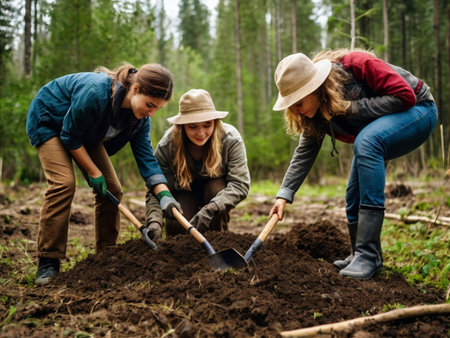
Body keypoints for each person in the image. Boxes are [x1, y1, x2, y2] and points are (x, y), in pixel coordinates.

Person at [269, 49, 437, 279]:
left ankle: (368, 256)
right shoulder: (313, 113)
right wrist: (283, 195)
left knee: (366, 141)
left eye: (298, 101)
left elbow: (404, 96)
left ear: (315, 88)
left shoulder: (357, 64)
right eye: (291, 104)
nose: (295, 109)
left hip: (419, 111)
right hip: (380, 130)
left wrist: (350, 108)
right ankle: (361, 253)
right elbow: (305, 152)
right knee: (352, 193)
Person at [26, 63, 181, 284]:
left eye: (158, 108)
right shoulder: (97, 92)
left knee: (114, 190)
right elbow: (69, 136)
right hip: (49, 121)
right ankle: (48, 261)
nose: (152, 113)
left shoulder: (140, 120)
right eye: (150, 105)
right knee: (64, 184)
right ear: (135, 89)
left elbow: (147, 160)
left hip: (85, 132)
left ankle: (107, 256)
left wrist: (165, 196)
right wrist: (92, 172)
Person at [145, 89, 250, 238]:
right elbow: (157, 189)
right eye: (193, 126)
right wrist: (154, 222)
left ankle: (217, 242)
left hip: (215, 194)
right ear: (181, 126)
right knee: (177, 223)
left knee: (215, 191)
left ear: (215, 122)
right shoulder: (167, 145)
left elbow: (240, 185)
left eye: (207, 125)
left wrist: (212, 208)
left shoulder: (230, 140)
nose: (201, 133)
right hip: (183, 192)